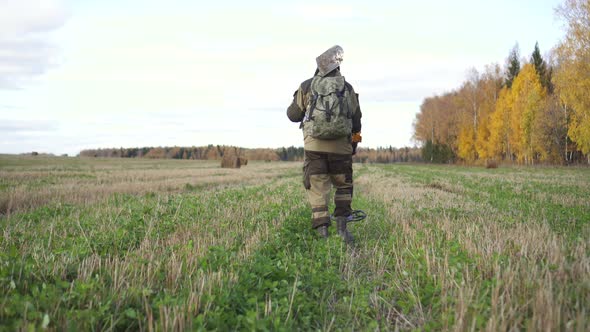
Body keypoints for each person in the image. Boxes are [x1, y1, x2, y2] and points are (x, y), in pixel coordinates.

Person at [286, 45, 362, 244]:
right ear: (338, 67)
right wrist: (353, 145)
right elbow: (357, 119)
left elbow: (293, 116)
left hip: (314, 148)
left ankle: (322, 231)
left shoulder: (307, 86)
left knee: (318, 187)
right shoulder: (347, 88)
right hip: (341, 149)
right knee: (343, 186)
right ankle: (343, 230)